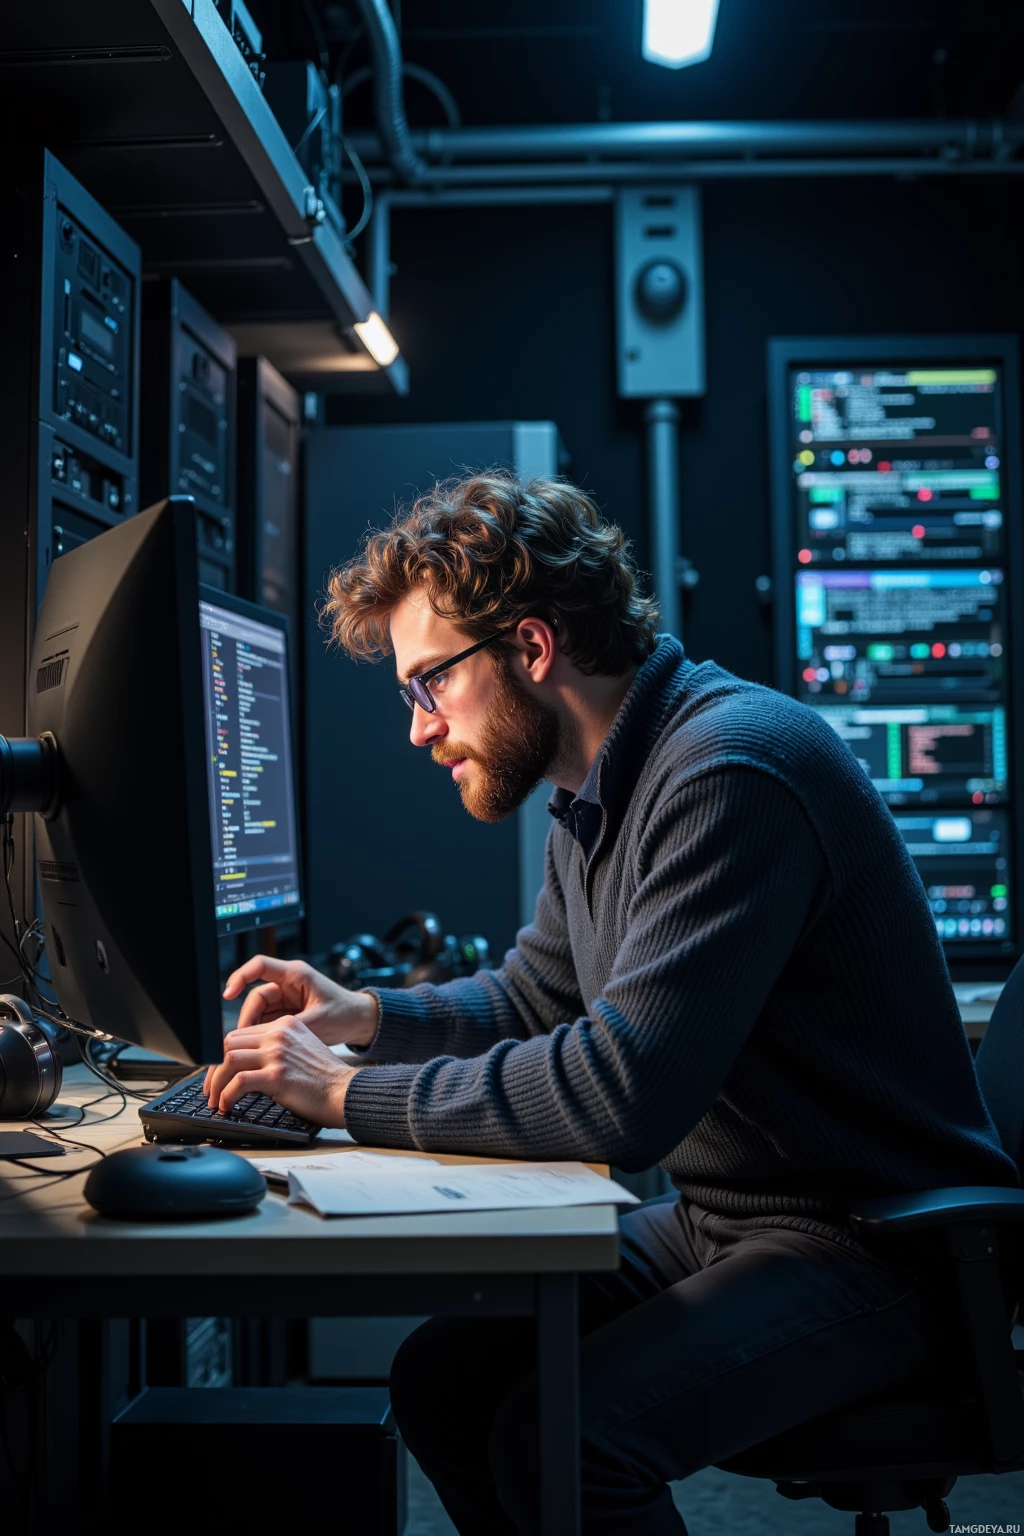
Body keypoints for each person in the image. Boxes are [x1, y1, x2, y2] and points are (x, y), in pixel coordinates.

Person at [203, 472, 1018, 1536]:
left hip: (875, 1249)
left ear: (531, 650)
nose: (418, 729)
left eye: (428, 687)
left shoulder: (731, 772)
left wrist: (342, 1093)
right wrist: (365, 1016)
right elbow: (537, 995)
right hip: (732, 1224)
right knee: (446, 1380)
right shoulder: (594, 794)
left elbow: (622, 1093)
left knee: (563, 1443)